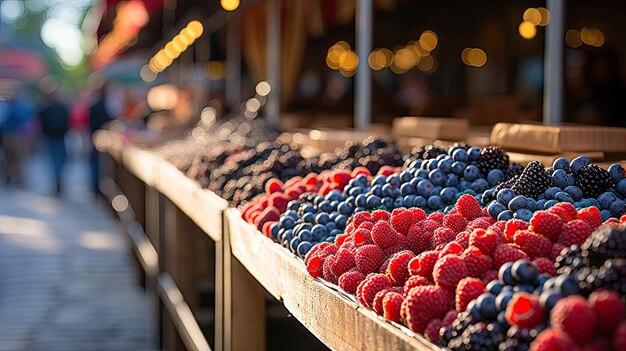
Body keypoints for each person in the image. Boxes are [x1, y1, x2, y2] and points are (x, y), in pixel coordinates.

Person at [39, 91, 70, 195]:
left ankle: (57, 179)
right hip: (59, 137)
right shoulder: (62, 108)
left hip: (52, 137)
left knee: (54, 161)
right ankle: (58, 179)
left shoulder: (46, 108)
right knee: (59, 160)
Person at [88, 86, 114, 195]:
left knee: (96, 164)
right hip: (99, 140)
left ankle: (96, 187)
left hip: (96, 138)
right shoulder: (104, 106)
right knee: (98, 164)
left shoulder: (94, 106)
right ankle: (97, 187)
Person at [0, 95, 32, 185]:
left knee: (9, 159)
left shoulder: (7, 110)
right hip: (18, 137)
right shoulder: (22, 110)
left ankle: (9, 176)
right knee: (19, 159)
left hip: (7, 137)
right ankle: (18, 177)